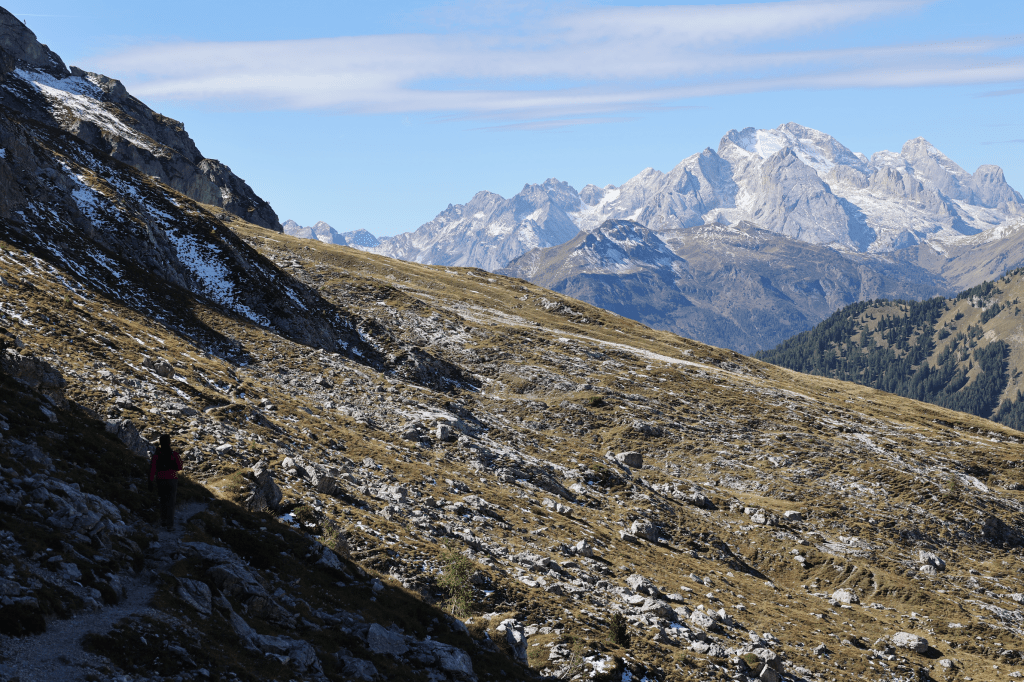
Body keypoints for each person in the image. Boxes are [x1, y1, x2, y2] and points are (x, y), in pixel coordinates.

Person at [149, 434, 183, 529]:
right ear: (169, 442)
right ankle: (170, 525)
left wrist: (150, 481)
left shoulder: (157, 455)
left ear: (160, 442)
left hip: (160, 479)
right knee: (171, 501)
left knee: (163, 500)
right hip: (172, 479)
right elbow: (180, 467)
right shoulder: (174, 454)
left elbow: (152, 469)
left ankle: (163, 521)